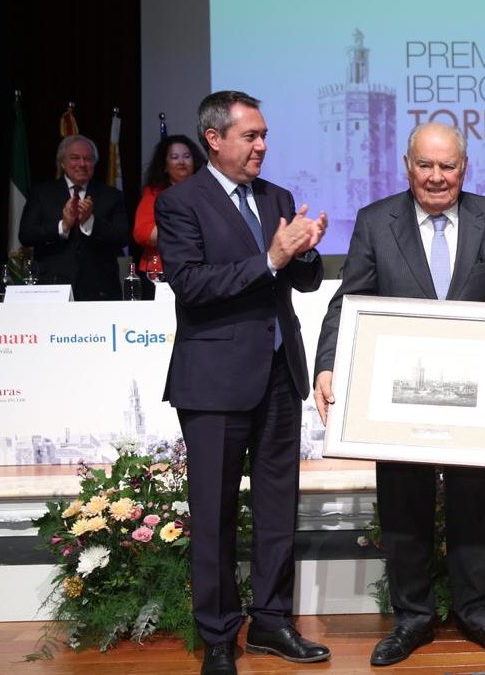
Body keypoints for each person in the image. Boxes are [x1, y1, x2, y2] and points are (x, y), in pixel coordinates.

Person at [313, 121, 485, 667]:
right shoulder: (377, 221)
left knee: (475, 504)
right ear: (407, 165)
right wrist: (328, 364)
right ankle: (413, 619)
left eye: (448, 166)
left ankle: (480, 613)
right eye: (426, 165)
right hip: (397, 400)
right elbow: (347, 301)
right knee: (403, 506)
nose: (437, 177)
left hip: (475, 401)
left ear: (463, 168)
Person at [155, 91, 330, 675]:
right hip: (213, 383)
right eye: (250, 136)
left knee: (279, 509)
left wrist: (305, 252)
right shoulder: (182, 202)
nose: (262, 145)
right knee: (215, 513)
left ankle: (273, 623)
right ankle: (219, 636)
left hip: (280, 375)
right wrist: (273, 259)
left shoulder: (275, 196)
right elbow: (192, 285)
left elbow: (302, 283)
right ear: (214, 138)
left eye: (263, 135)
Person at [18, 134, 129, 300]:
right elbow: (26, 235)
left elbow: (123, 237)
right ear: (62, 162)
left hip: (100, 290)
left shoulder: (111, 196)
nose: (82, 164)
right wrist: (62, 227)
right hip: (53, 288)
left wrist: (90, 222)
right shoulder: (42, 193)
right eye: (75, 158)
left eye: (88, 159)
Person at [133, 134, 206, 287]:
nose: (181, 162)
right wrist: (186, 229)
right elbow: (142, 233)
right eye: (174, 157)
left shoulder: (207, 193)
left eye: (187, 156)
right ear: (165, 165)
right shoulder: (154, 194)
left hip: (201, 270)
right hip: (158, 272)